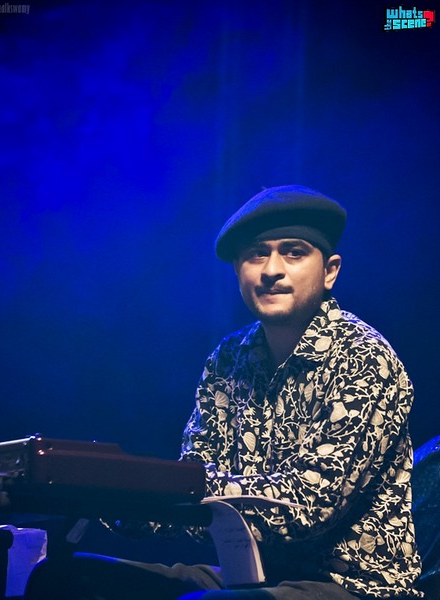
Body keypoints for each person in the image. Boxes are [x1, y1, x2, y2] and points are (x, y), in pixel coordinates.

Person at [25, 185, 422, 599]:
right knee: (65, 579)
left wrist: (179, 489)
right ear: (238, 271)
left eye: (293, 252)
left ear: (330, 271)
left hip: (354, 587)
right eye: (256, 254)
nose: (271, 270)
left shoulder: (364, 358)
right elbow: (191, 492)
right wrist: (100, 491)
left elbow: (306, 508)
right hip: (249, 578)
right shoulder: (229, 358)